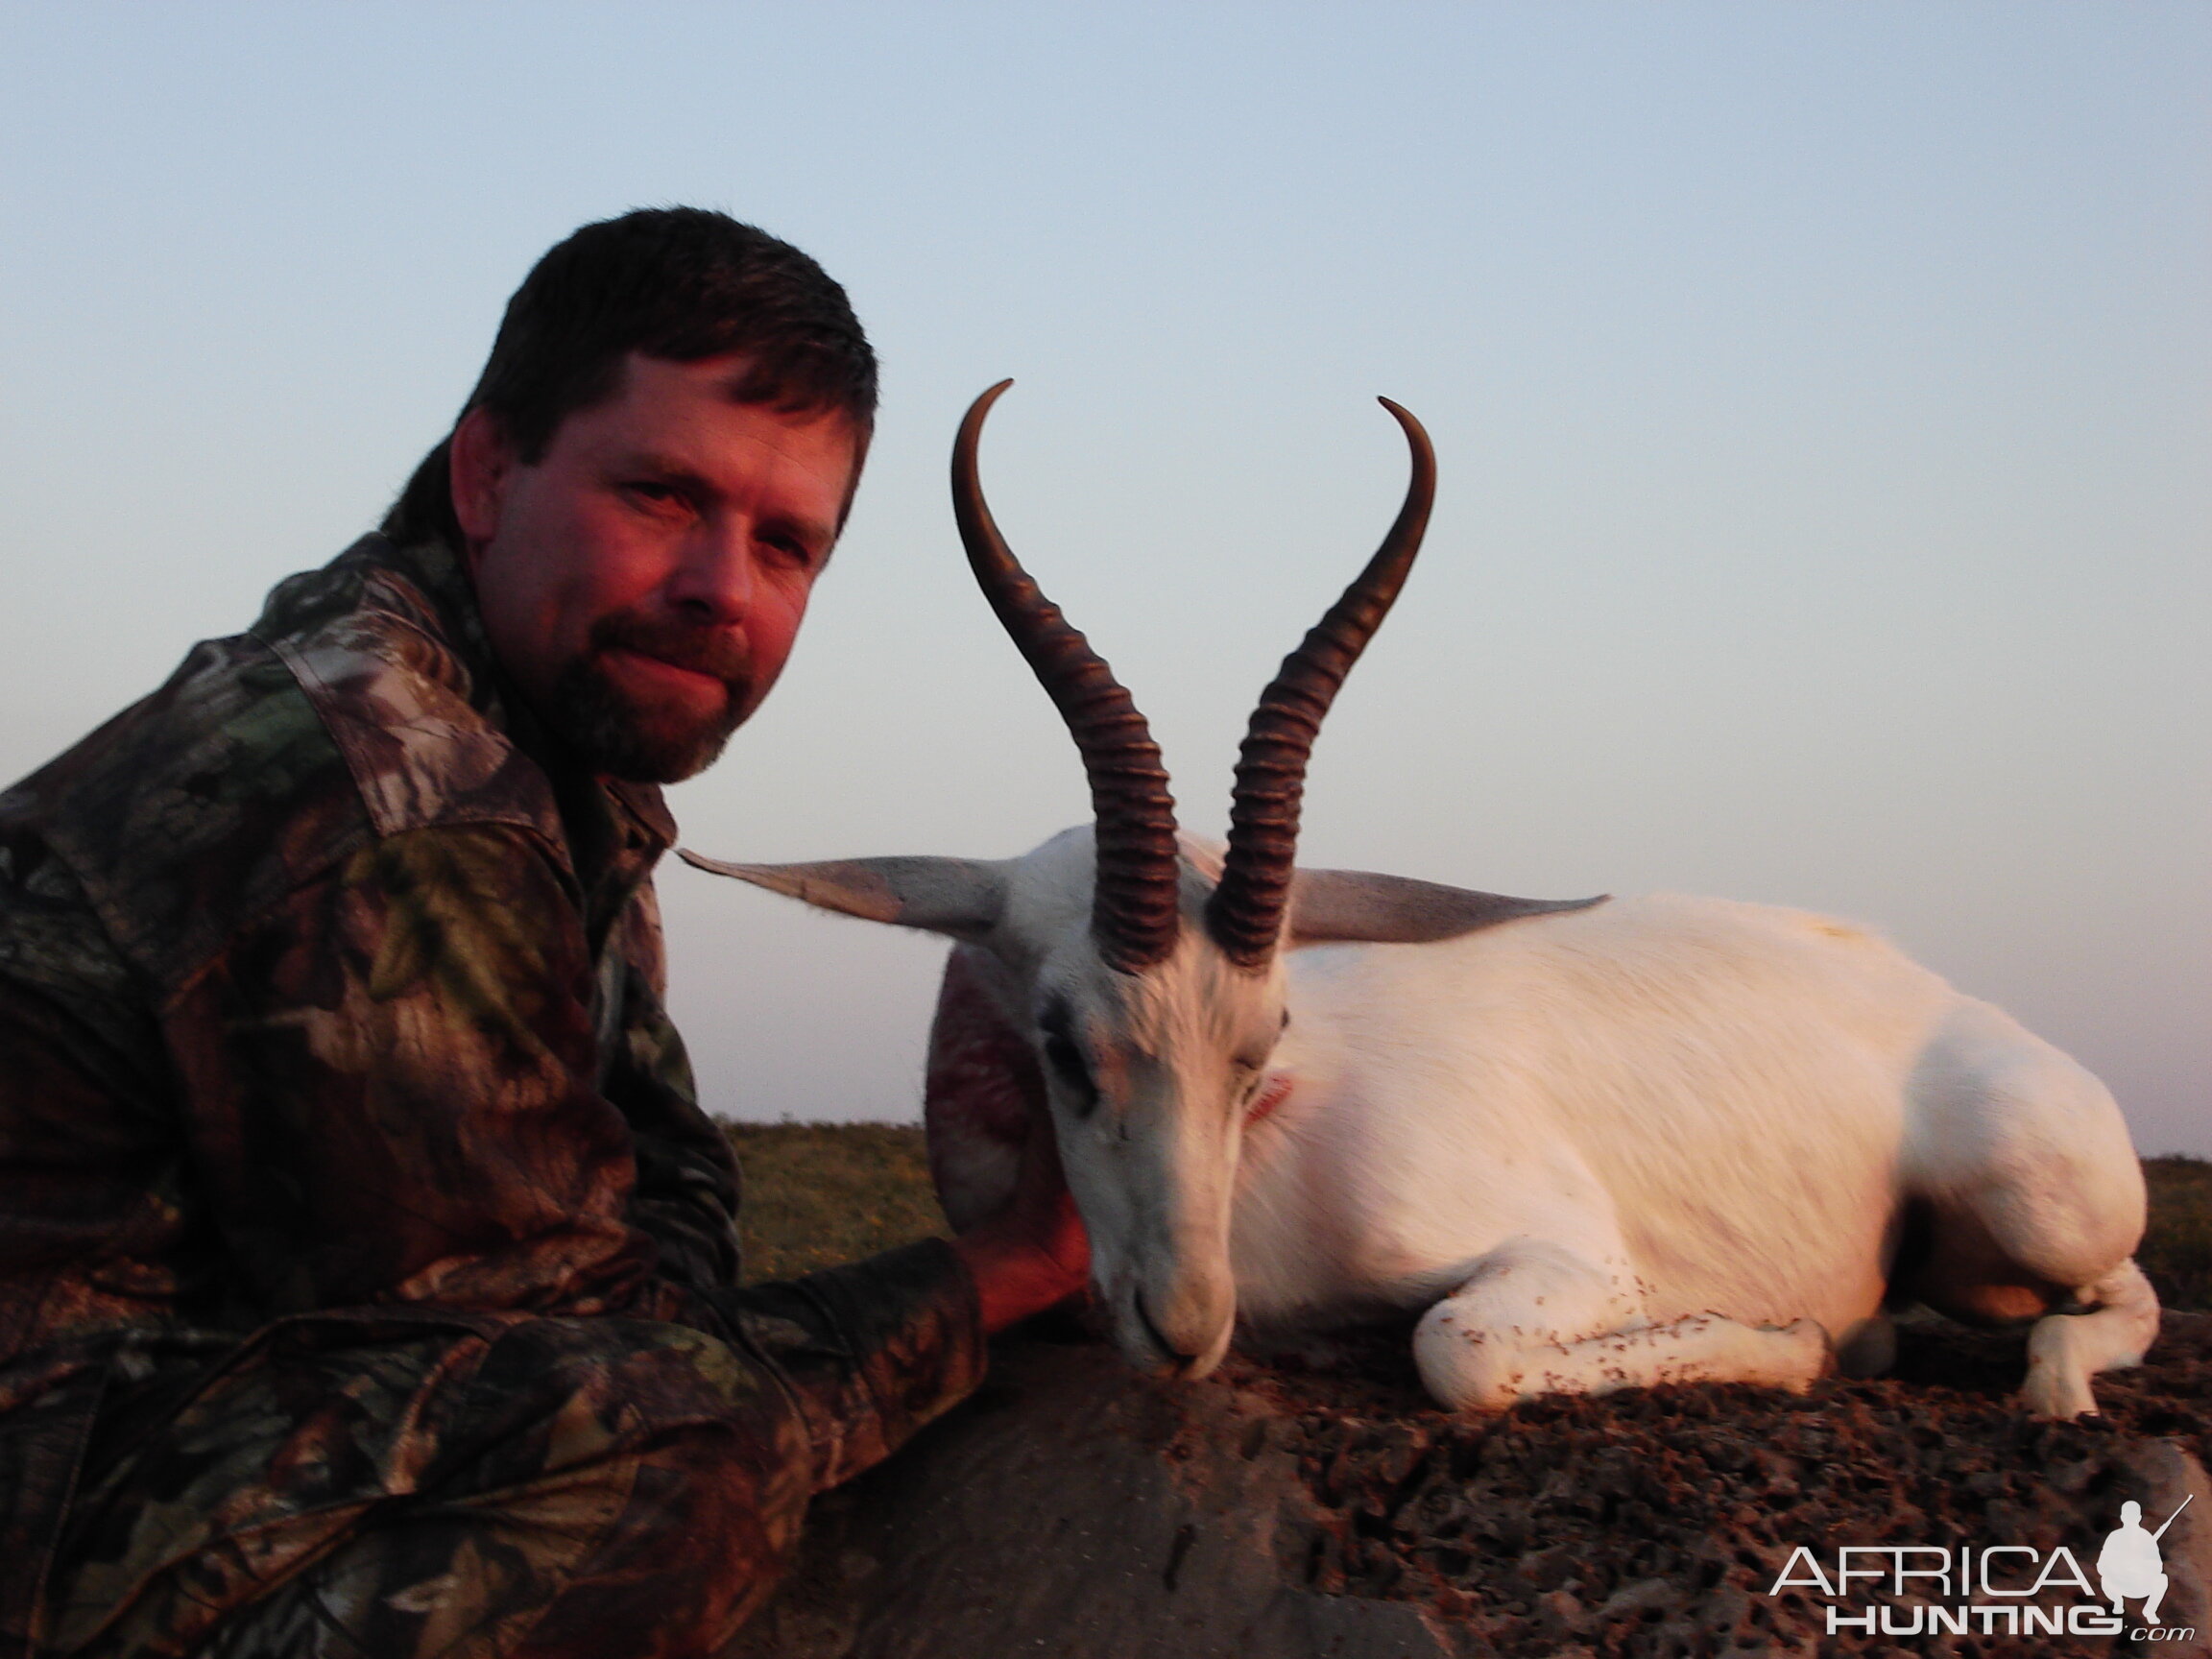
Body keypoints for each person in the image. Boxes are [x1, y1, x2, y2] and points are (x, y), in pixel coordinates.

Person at [0, 207, 1089, 1658]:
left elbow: (665, 1202)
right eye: (659, 495)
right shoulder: (393, 789)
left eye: (787, 544)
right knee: (669, 1465)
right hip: (46, 1481)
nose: (724, 587)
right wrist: (1002, 1270)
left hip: (152, 1428)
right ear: (487, 472)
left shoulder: (554, 767)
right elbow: (592, 1355)